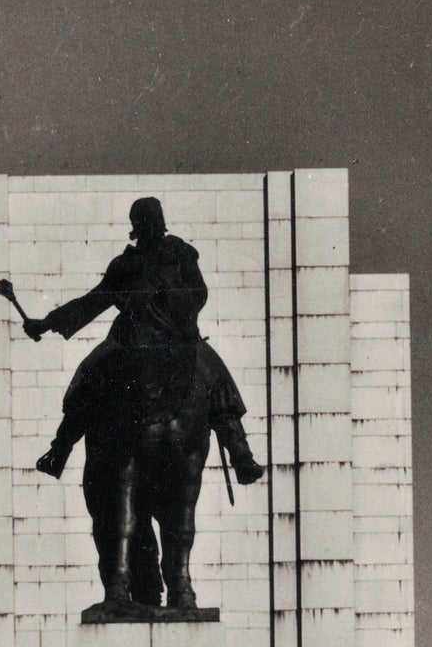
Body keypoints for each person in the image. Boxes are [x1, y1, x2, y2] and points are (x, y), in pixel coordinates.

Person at [22, 196, 265, 484]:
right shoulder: (124, 265)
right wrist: (48, 323)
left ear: (159, 223)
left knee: (217, 376)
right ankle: (58, 450)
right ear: (135, 226)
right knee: (89, 372)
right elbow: (92, 302)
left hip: (178, 336)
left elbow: (199, 292)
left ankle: (241, 454)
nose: (148, 226)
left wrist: (170, 298)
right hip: (127, 339)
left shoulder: (180, 253)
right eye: (143, 221)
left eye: (152, 220)